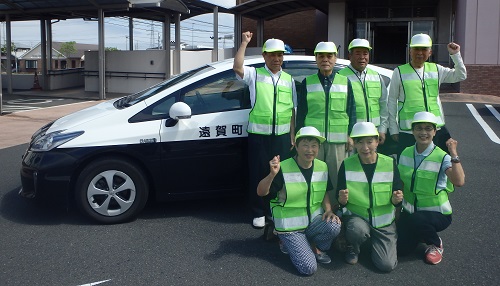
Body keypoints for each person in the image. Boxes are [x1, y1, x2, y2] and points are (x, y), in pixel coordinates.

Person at [257, 126, 341, 275]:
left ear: (319, 147)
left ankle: (314, 245)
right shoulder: (283, 168)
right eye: (305, 145)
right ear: (296, 146)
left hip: (312, 221)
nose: (310, 150)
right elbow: (261, 192)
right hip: (290, 227)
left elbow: (324, 192)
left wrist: (328, 210)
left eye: (314, 145)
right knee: (308, 268)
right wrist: (271, 175)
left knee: (334, 225)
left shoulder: (322, 166)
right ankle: (284, 239)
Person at [233, 32, 297, 228]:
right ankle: (258, 211)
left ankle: (274, 209)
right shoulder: (255, 74)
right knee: (259, 172)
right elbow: (237, 66)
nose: (276, 59)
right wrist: (244, 43)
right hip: (259, 135)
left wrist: (292, 137)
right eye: (272, 55)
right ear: (264, 56)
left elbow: (293, 110)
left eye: (280, 55)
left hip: (282, 136)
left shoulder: (289, 79)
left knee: (279, 173)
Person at [397, 111, 465, 265]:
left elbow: (459, 181)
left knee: (418, 220)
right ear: (412, 131)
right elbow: (401, 183)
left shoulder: (443, 157)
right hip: (410, 212)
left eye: (428, 128)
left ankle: (435, 243)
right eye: (419, 128)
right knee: (402, 250)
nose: (423, 132)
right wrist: (397, 211)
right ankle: (421, 234)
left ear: (435, 132)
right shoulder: (405, 153)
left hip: (437, 214)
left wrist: (453, 153)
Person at [336, 122, 403, 272]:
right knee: (357, 230)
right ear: (354, 143)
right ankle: (353, 246)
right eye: (359, 142)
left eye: (369, 142)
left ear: (377, 141)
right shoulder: (347, 164)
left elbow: (397, 194)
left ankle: (375, 242)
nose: (365, 147)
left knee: (386, 266)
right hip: (357, 219)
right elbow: (340, 200)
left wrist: (396, 200)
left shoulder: (390, 163)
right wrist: (341, 200)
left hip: (383, 223)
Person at [388, 33, 467, 156]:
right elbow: (392, 100)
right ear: (410, 51)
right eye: (416, 49)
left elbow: (461, 75)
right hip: (409, 130)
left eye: (424, 49)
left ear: (430, 52)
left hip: (436, 128)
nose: (420, 53)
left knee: (441, 164)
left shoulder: (436, 69)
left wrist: (455, 55)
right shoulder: (399, 72)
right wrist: (393, 129)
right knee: (406, 167)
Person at [296, 41, 356, 193]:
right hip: (313, 140)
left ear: (335, 58)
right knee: (314, 175)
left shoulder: (345, 82)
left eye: (329, 56)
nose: (325, 60)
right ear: (316, 59)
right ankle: (316, 207)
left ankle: (335, 209)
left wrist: (351, 135)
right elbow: (301, 112)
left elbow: (351, 110)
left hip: (338, 140)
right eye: (321, 56)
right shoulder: (307, 83)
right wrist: (299, 137)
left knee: (336, 176)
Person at [338, 39, 389, 146]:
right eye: (358, 53)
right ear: (350, 56)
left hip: (373, 133)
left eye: (365, 53)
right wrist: (346, 134)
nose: (362, 57)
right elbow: (338, 111)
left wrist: (382, 129)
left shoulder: (376, 76)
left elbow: (384, 105)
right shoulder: (340, 77)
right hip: (353, 135)